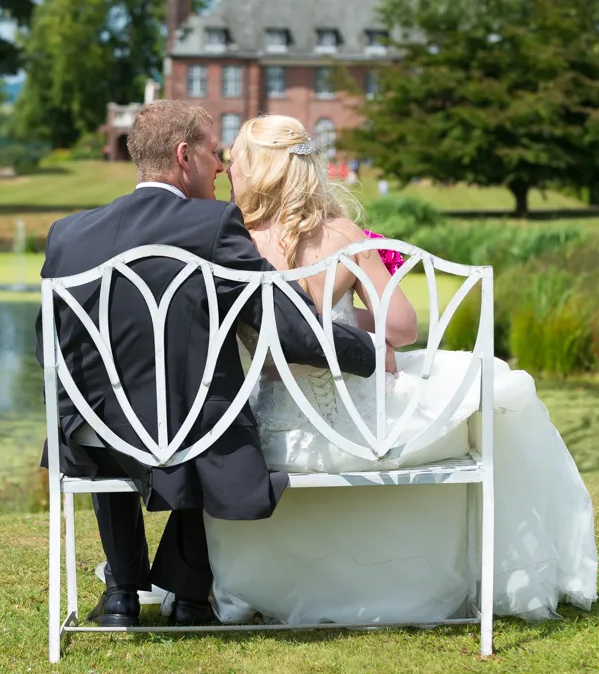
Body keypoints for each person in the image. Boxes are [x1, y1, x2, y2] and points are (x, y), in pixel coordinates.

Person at [204, 114, 598, 624]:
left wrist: (319, 325)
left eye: (236, 161)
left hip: (277, 431)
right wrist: (344, 322)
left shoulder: (237, 242)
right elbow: (403, 328)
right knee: (489, 387)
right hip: (359, 421)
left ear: (257, 171)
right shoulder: (344, 234)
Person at [35, 102, 379, 628]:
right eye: (212, 153)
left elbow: (49, 349)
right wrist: (367, 353)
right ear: (183, 155)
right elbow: (287, 329)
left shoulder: (69, 233)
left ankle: (123, 595)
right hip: (192, 433)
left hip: (94, 433)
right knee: (204, 412)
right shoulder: (212, 224)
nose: (221, 166)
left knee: (123, 416)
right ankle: (191, 593)